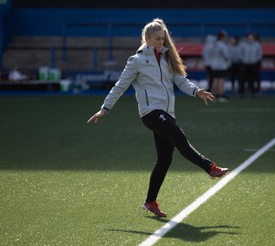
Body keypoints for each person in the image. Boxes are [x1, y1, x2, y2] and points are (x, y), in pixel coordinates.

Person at [87, 18, 229, 218]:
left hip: (166, 113)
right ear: (146, 38)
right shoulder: (136, 61)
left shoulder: (166, 58)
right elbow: (120, 86)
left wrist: (197, 91)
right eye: (157, 39)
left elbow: (181, 81)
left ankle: (150, 202)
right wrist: (105, 109)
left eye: (163, 38)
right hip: (151, 113)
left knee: (164, 160)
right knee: (181, 140)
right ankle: (210, 167)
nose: (161, 42)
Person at [240, 33, 262, 98]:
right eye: (249, 38)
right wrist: (243, 60)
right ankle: (242, 93)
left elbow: (259, 54)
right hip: (245, 64)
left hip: (253, 64)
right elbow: (240, 54)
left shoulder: (257, 44)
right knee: (243, 79)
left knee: (252, 79)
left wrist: (256, 60)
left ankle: (252, 93)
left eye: (251, 38)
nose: (250, 39)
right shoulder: (243, 44)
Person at [211, 30, 231, 102]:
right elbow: (226, 55)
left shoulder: (215, 44)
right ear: (222, 37)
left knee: (215, 80)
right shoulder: (222, 45)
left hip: (214, 65)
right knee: (221, 80)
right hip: (221, 65)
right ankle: (219, 96)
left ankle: (213, 96)